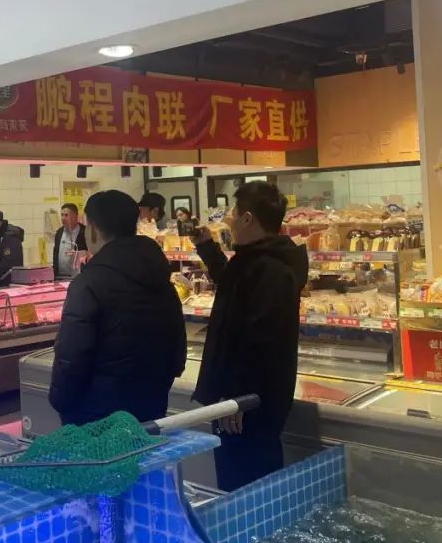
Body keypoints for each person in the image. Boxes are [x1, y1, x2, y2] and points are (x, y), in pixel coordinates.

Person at [192, 182, 308, 492]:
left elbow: (261, 341)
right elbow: (234, 285)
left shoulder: (271, 270)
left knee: (245, 487)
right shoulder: (260, 260)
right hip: (245, 400)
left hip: (248, 405)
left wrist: (238, 397)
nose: (228, 219)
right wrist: (207, 247)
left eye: (233, 212)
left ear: (247, 218)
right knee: (244, 482)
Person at [48, 191, 187, 426]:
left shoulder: (88, 283)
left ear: (93, 230)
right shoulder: (159, 277)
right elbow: (177, 346)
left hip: (96, 417)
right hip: (151, 406)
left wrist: (61, 402)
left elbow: (72, 356)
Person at [52, 203, 88, 279]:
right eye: (62, 215)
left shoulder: (85, 232)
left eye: (66, 215)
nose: (63, 218)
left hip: (79, 277)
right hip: (59, 277)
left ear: (75, 216)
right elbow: (55, 254)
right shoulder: (59, 232)